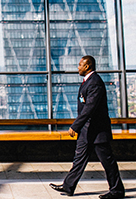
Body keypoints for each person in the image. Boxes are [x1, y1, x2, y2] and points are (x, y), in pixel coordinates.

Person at [50, 55, 125, 198]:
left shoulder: (95, 82)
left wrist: (75, 125)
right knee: (79, 159)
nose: (77, 67)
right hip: (87, 130)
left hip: (97, 131)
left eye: (80, 65)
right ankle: (68, 186)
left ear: (87, 66)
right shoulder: (88, 81)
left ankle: (117, 191)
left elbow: (90, 108)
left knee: (107, 161)